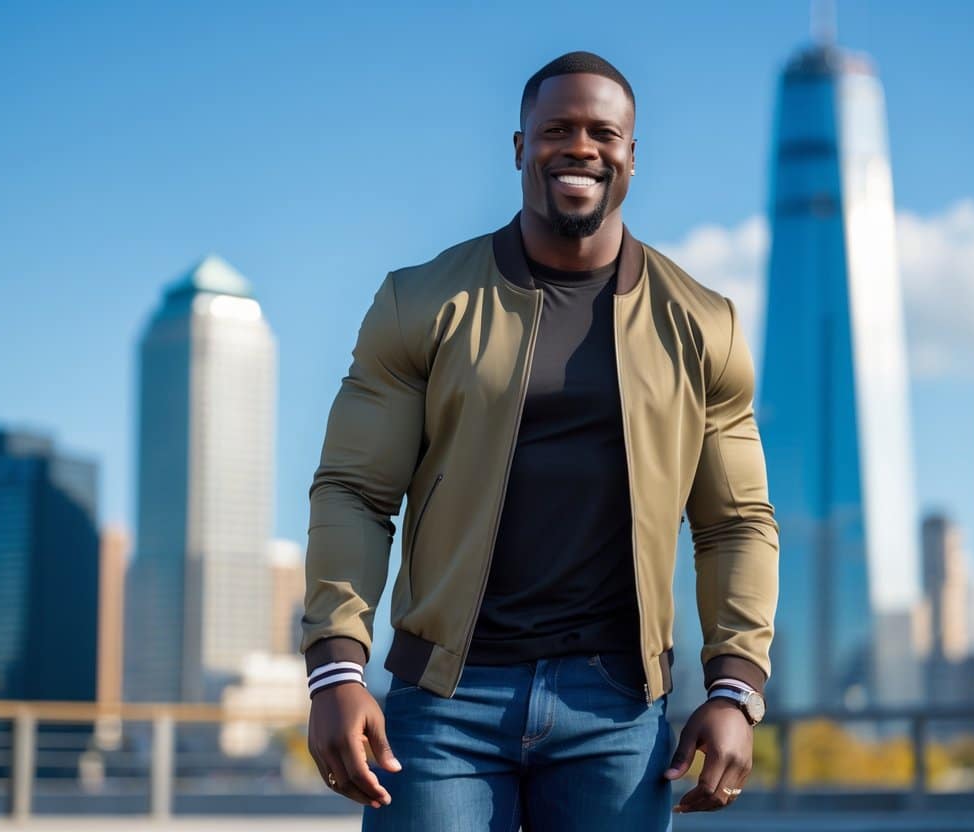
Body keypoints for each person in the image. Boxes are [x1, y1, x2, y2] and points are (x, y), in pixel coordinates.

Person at [301, 51, 778, 831]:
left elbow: (736, 522)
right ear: (519, 147)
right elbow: (355, 491)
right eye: (557, 128)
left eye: (603, 132)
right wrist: (334, 669)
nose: (580, 147)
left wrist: (733, 687)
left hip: (618, 706)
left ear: (630, 154)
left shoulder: (702, 325)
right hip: (446, 701)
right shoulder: (420, 302)